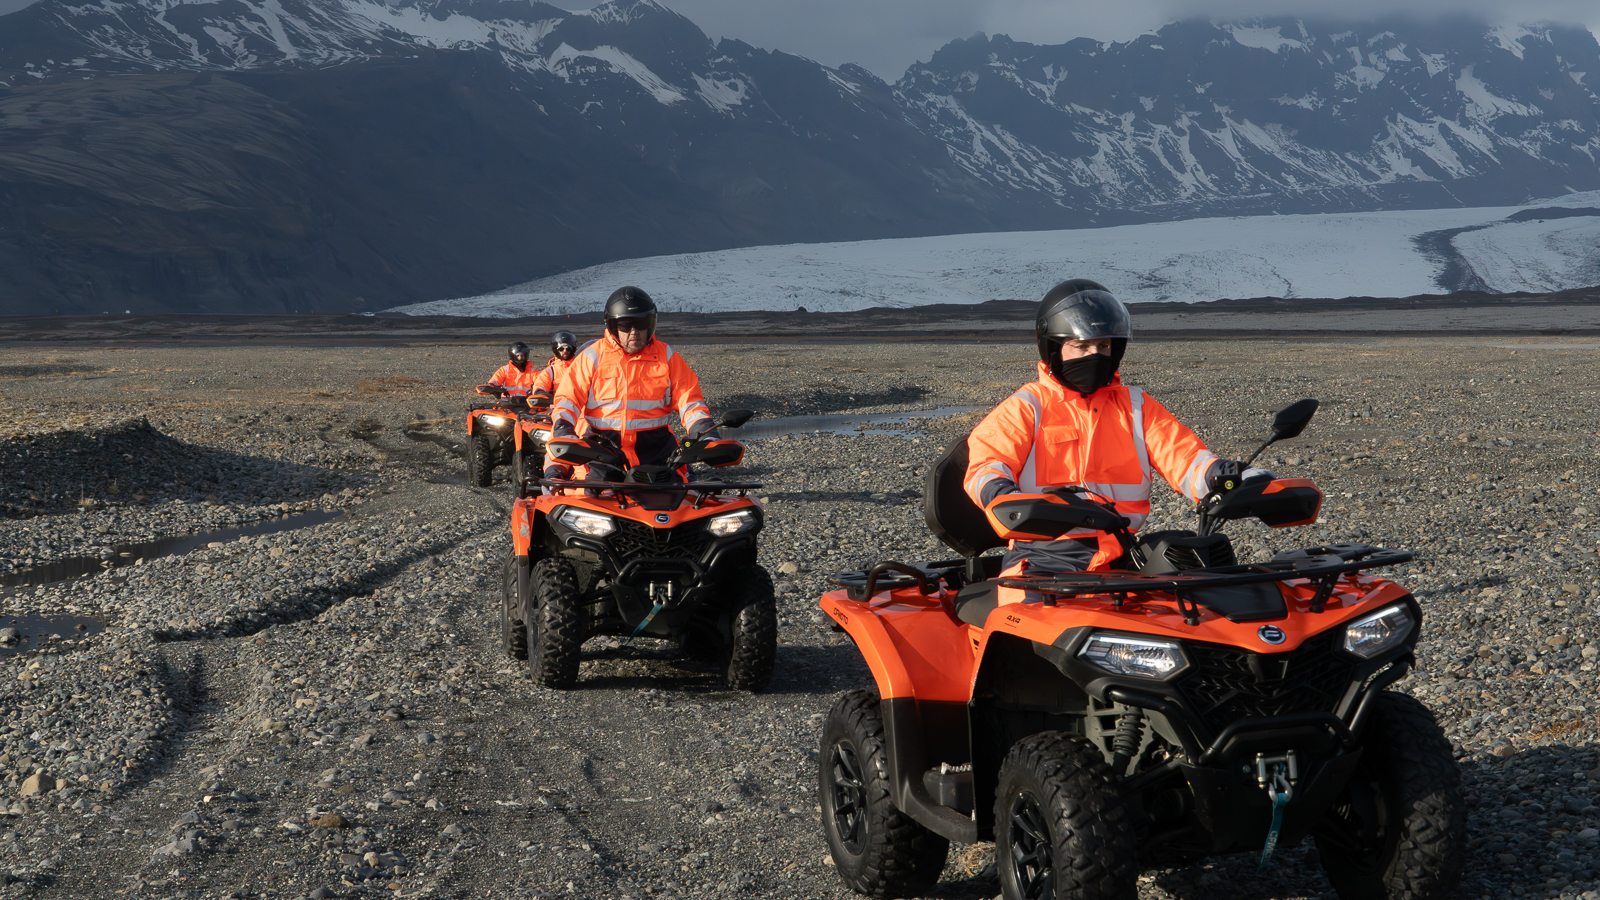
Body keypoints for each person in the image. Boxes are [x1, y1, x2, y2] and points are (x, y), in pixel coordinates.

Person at [963, 279, 1263, 600]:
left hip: (1122, 554)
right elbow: (986, 467)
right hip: (1041, 559)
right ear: (1053, 347)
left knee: (1208, 596)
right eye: (1082, 346)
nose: (1095, 355)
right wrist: (1001, 494)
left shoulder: (1136, 406)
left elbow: (1186, 459)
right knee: (1031, 626)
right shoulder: (1027, 407)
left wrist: (1227, 477)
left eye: (1103, 346)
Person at [546, 287, 715, 482]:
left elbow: (691, 402)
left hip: (657, 454)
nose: (634, 332)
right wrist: (564, 429)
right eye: (625, 325)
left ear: (650, 324)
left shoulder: (668, 357)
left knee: (685, 504)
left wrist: (706, 433)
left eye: (641, 324)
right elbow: (568, 399)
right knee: (584, 505)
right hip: (601, 455)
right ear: (613, 326)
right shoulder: (591, 357)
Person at [529, 331, 580, 409]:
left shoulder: (581, 368)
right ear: (556, 349)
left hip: (579, 408)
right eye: (561, 348)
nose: (565, 351)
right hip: (556, 408)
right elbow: (541, 384)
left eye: (568, 348)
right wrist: (540, 392)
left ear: (573, 349)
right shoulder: (550, 371)